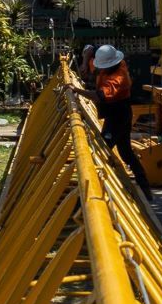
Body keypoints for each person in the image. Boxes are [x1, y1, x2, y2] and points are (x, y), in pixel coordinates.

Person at [65, 44, 153, 201]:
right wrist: (85, 62)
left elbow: (99, 96)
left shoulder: (118, 79)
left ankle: (94, 187)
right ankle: (145, 189)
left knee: (102, 149)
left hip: (118, 115)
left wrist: (77, 90)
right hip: (117, 113)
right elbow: (92, 49)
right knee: (126, 152)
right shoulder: (113, 63)